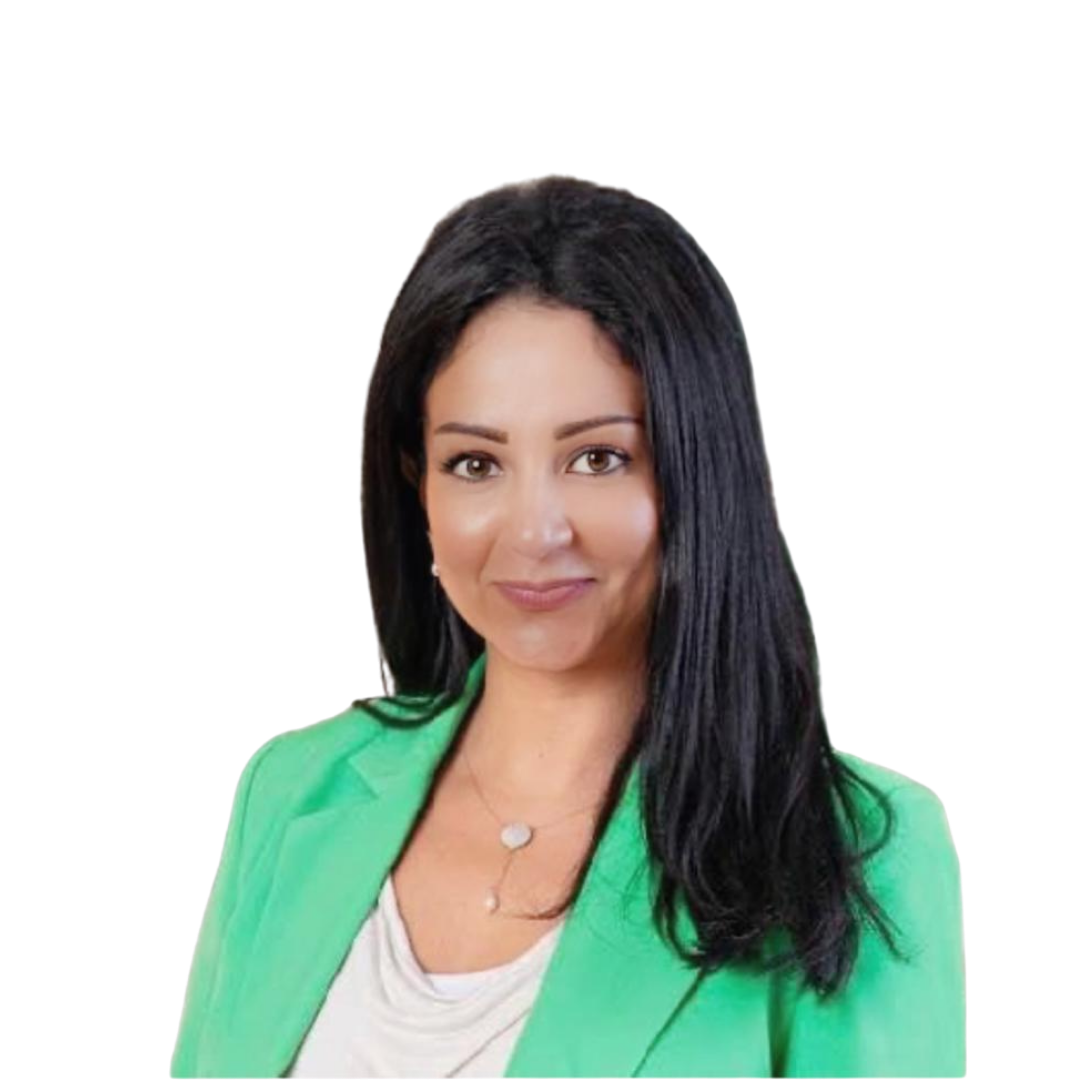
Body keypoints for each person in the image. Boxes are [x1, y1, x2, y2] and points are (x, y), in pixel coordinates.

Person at [169, 175, 966, 1079]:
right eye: (475, 463)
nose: (534, 532)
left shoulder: (856, 849)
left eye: (597, 457)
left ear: (694, 473)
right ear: (416, 485)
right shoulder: (292, 792)